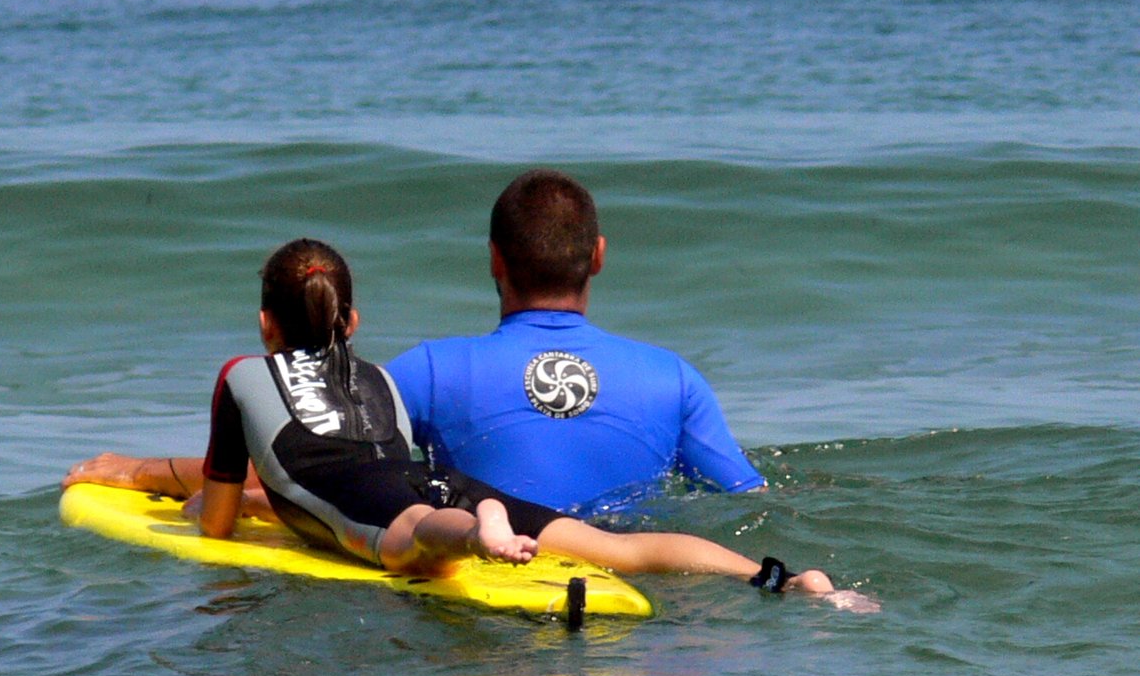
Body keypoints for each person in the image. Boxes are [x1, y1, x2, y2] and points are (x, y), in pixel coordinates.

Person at [64, 238, 846, 599]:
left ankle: (478, 531)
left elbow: (223, 525)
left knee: (409, 542)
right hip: (437, 476)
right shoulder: (375, 378)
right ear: (353, 321)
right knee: (620, 549)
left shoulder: (241, 377)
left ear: (265, 326)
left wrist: (182, 493)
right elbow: (356, 461)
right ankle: (781, 579)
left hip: (405, 506)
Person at [385, 168, 765, 513]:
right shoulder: (673, 381)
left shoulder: (428, 373)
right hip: (624, 578)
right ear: (598, 256)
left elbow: (347, 472)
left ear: (495, 258)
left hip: (492, 573)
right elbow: (750, 500)